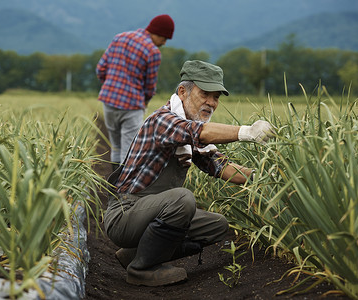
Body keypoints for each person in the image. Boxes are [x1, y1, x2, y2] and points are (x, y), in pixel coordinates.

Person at [104, 60, 276, 287]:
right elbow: (195, 132)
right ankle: (141, 270)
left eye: (216, 97)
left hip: (152, 212)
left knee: (217, 226)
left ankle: (137, 255)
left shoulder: (192, 128)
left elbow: (221, 166)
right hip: (125, 214)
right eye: (205, 93)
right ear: (183, 91)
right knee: (182, 199)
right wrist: (247, 132)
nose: (211, 103)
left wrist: (266, 177)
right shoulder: (163, 120)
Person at [96, 14, 175, 170]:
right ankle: (122, 191)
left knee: (116, 147)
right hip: (132, 105)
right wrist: (145, 101)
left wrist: (111, 86)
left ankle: (111, 187)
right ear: (157, 33)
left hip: (109, 102)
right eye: (164, 39)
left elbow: (101, 69)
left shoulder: (119, 38)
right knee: (130, 150)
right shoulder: (153, 52)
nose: (164, 43)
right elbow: (150, 86)